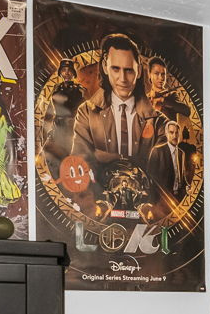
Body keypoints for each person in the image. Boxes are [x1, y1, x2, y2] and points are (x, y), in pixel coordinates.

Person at [71, 33, 152, 166]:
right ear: (104, 66)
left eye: (129, 70)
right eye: (115, 69)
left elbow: (160, 168)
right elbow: (78, 166)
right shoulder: (86, 112)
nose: (123, 79)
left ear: (139, 70)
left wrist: (101, 156)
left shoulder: (157, 121)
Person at [149, 105, 196, 201]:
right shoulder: (157, 151)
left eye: (176, 133)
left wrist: (187, 186)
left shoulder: (181, 153)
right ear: (166, 134)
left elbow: (181, 176)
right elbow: (151, 177)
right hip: (163, 198)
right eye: (171, 132)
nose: (174, 135)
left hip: (178, 196)